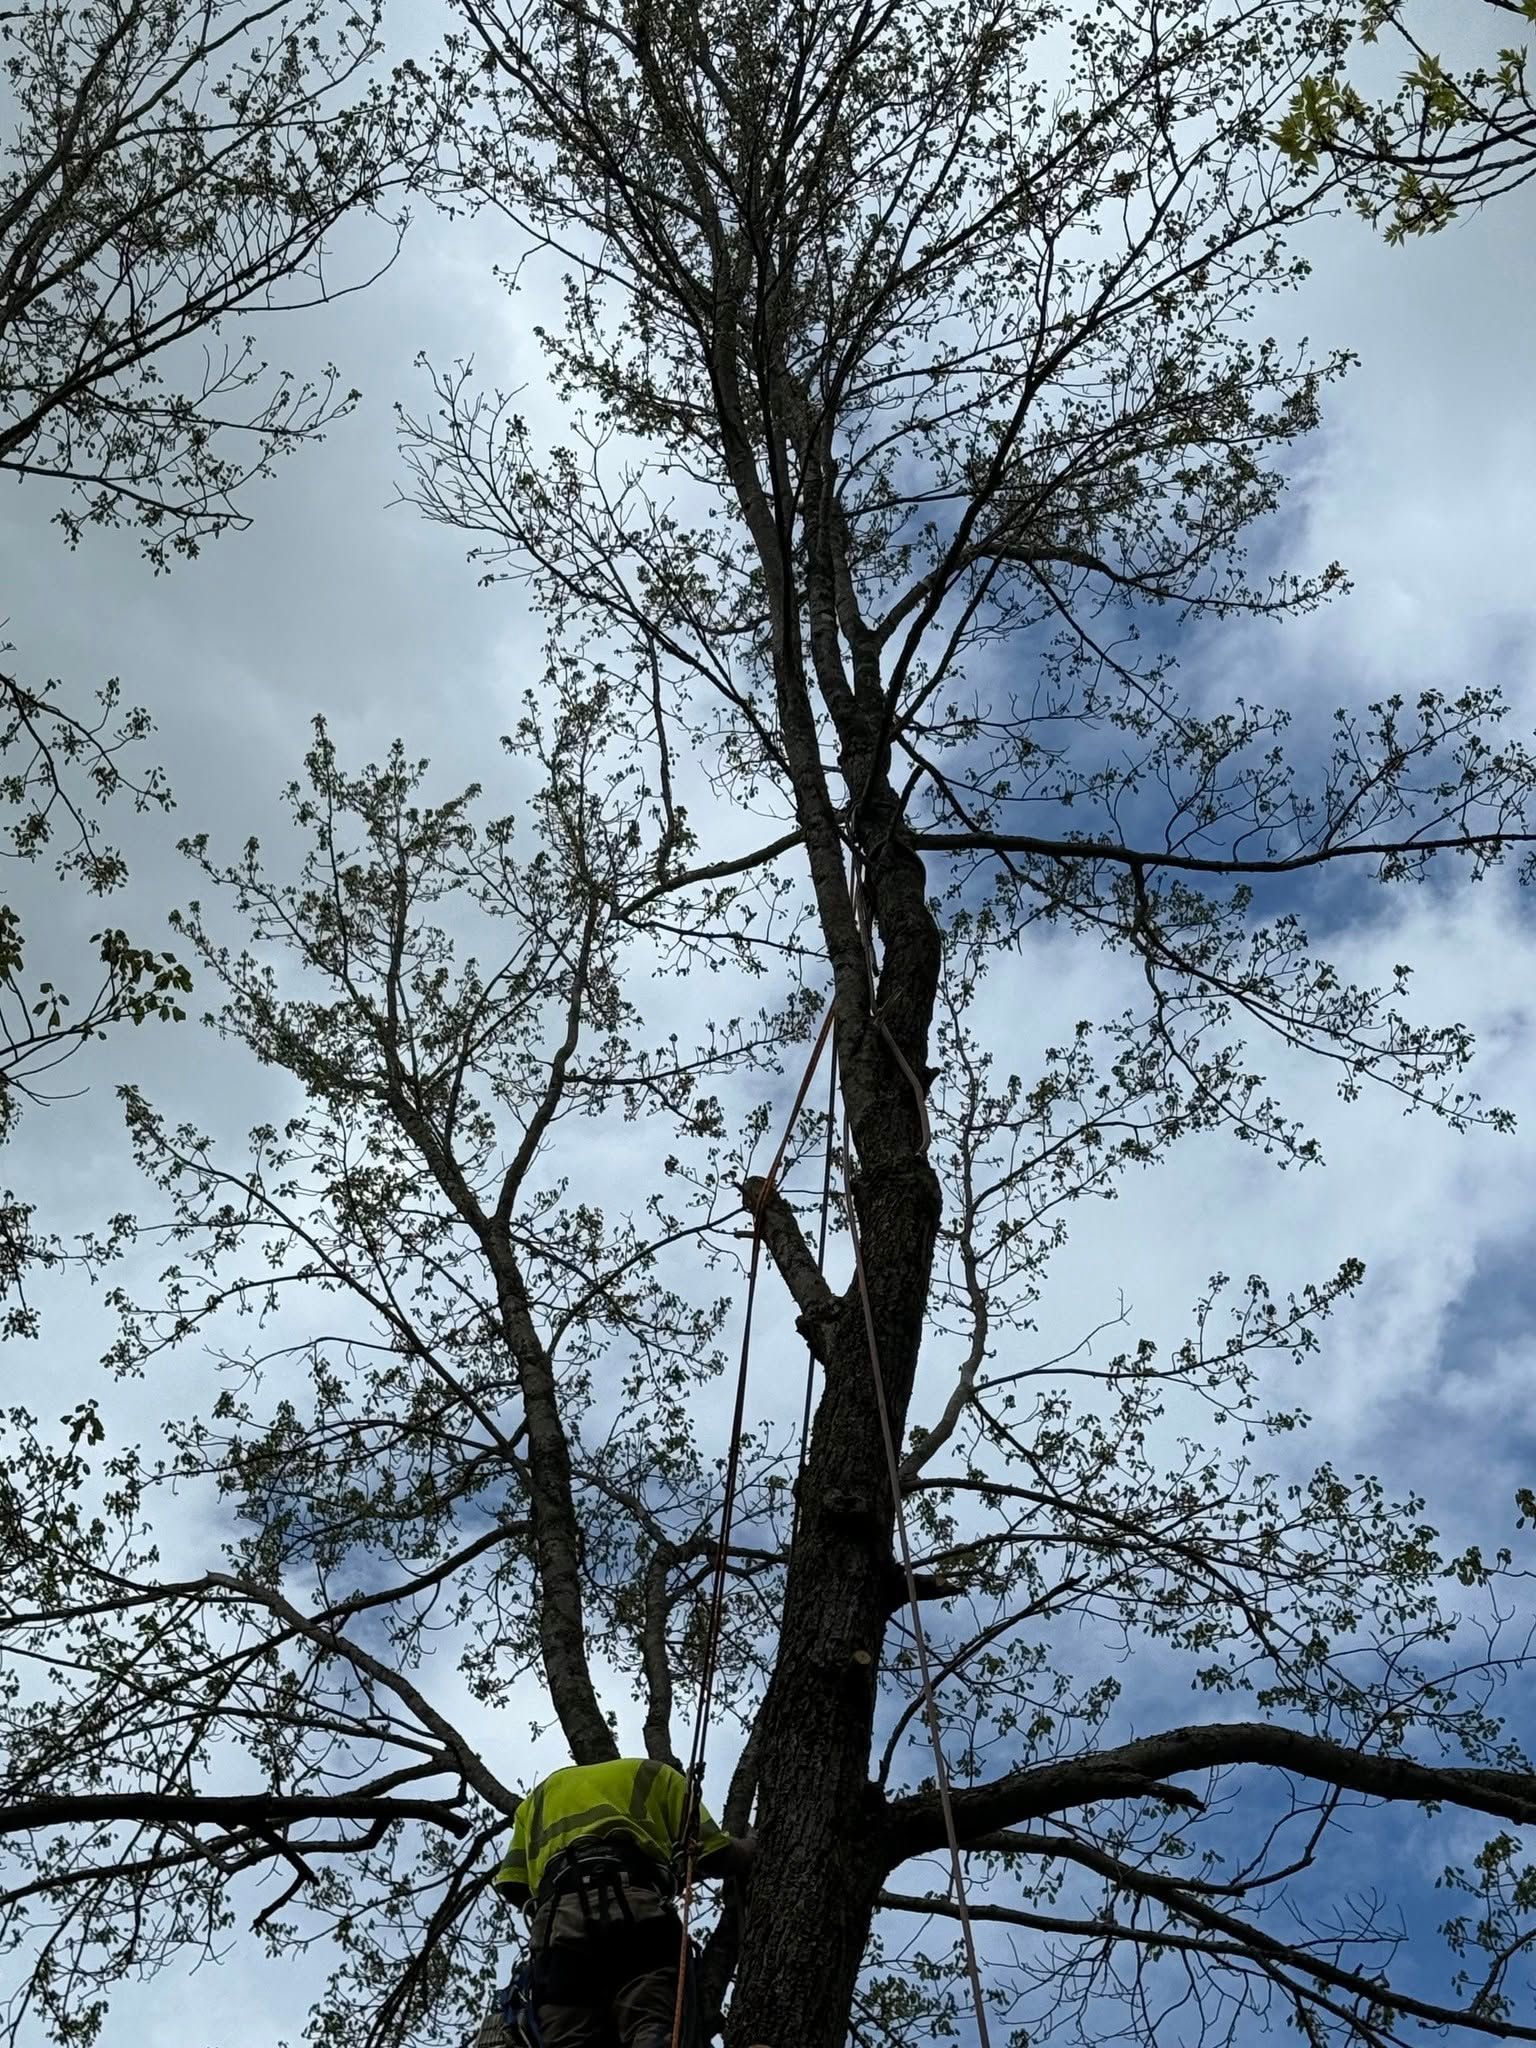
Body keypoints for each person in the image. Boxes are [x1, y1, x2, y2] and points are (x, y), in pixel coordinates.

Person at [493, 1756, 756, 2048]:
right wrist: (752, 1846)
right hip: (634, 1909)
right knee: (650, 2024)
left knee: (568, 2039)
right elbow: (714, 1854)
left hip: (558, 1926)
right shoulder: (656, 1774)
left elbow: (513, 1885)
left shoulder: (539, 1796)